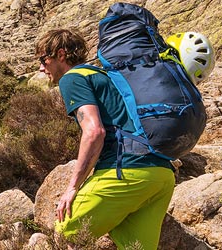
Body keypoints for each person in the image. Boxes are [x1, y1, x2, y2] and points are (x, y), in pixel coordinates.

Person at [38, 29, 176, 249]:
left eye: (44, 59)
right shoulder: (105, 76)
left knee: (65, 230)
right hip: (161, 175)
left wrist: (73, 187)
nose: (41, 67)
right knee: (135, 246)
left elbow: (94, 132)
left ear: (61, 55)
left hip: (126, 170)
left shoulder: (72, 78)